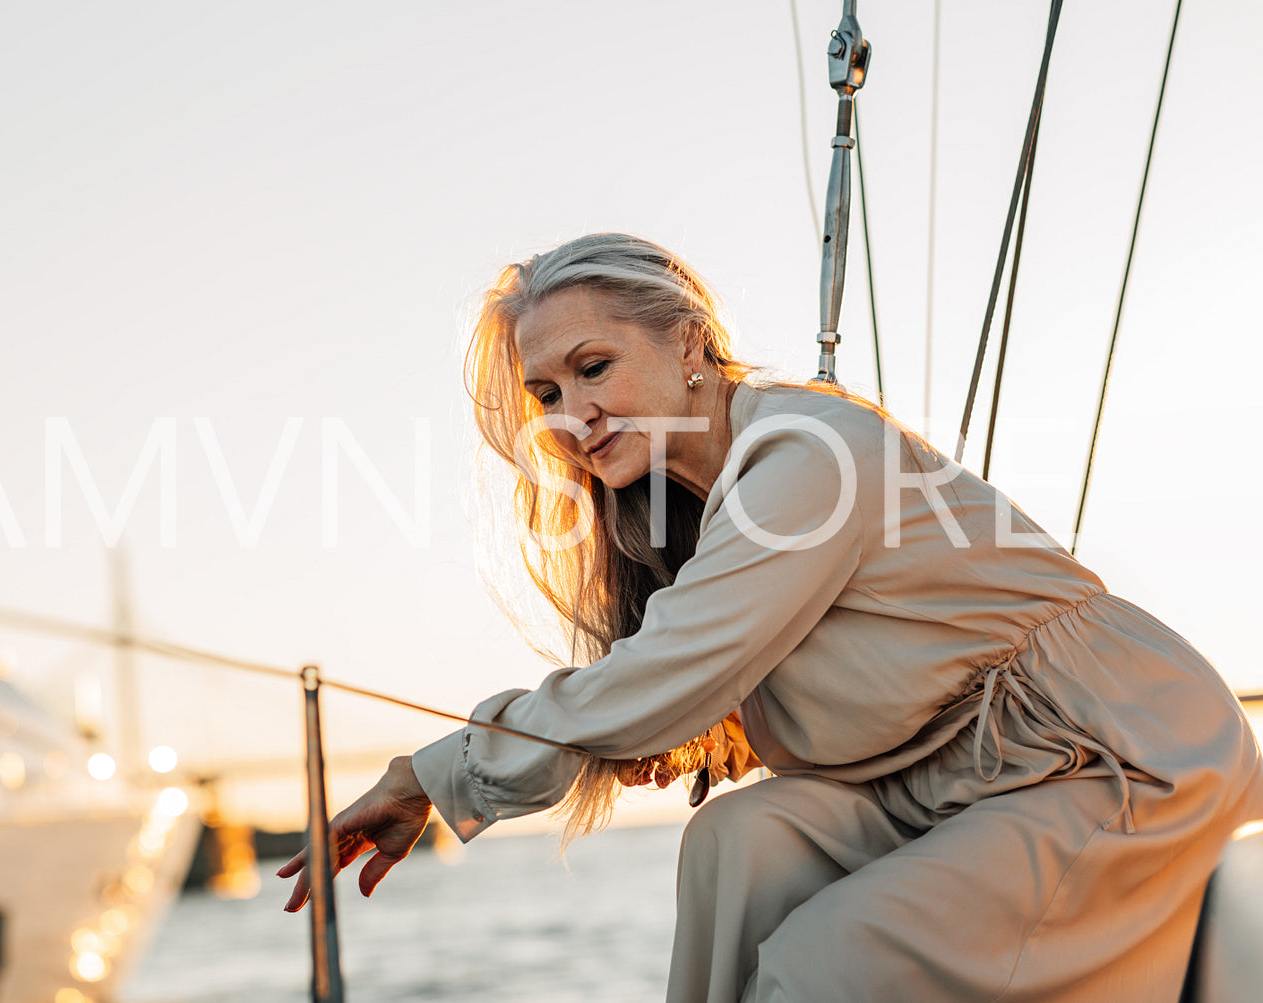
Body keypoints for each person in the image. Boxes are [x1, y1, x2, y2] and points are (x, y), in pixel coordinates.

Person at [278, 233, 1263, 1001]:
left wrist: (431, 771)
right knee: (734, 844)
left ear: (688, 343)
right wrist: (731, 733)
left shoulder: (803, 456)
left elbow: (656, 680)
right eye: (544, 391)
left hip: (1111, 757)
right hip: (949, 778)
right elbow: (786, 674)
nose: (569, 412)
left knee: (825, 965)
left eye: (592, 366)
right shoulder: (686, 517)